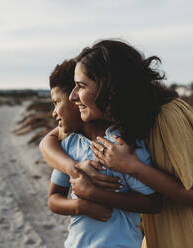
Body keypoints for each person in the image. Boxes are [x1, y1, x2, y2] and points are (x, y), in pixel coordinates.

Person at [40, 39, 193, 248]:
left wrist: (130, 166)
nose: (73, 96)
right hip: (155, 230)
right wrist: (75, 170)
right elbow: (48, 142)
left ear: (109, 85)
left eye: (81, 86)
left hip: (189, 233)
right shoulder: (120, 117)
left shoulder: (168, 115)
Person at [46, 59, 162, 248]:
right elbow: (53, 200)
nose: (54, 112)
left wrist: (93, 194)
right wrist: (80, 206)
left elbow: (153, 203)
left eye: (56, 102)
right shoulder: (68, 146)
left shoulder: (124, 146)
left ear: (77, 100)